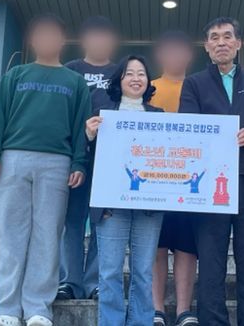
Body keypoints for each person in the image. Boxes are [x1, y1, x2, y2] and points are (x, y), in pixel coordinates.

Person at [0, 14, 91, 326]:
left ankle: (38, 309)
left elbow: (80, 127)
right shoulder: (15, 75)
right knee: (11, 235)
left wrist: (78, 162)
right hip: (12, 158)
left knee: (48, 236)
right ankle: (5, 309)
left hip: (57, 163)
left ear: (62, 41)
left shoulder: (75, 82)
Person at [179, 17, 244, 326]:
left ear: (238, 43)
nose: (221, 42)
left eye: (227, 36)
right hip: (209, 183)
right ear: (206, 47)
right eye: (214, 37)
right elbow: (188, 128)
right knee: (211, 259)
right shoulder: (194, 84)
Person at [87, 55, 164, 326]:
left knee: (143, 271)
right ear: (119, 80)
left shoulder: (158, 116)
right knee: (109, 271)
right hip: (111, 204)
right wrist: (89, 137)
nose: (135, 78)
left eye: (141, 73)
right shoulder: (102, 115)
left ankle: (140, 322)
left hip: (148, 205)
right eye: (129, 73)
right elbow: (88, 157)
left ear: (148, 81)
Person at [58, 16, 119, 301]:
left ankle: (95, 281)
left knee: (101, 221)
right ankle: (69, 280)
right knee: (72, 219)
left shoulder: (119, 72)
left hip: (110, 160)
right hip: (75, 156)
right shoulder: (70, 71)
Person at [149, 30, 200, 326]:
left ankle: (183, 309)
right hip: (154, 178)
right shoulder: (150, 88)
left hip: (190, 180)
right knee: (156, 244)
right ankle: (156, 309)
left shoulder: (200, 88)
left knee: (186, 245)